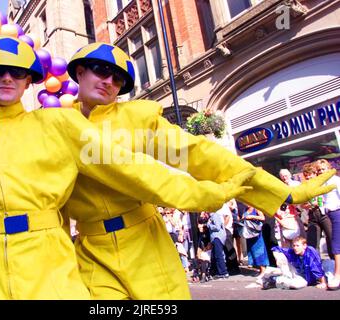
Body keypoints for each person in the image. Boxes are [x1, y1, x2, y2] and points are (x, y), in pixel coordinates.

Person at [0, 36, 258, 300]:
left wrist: (209, 193)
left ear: (29, 81)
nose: (7, 77)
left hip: (49, 262)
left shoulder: (56, 123)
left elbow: (131, 168)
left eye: (17, 72)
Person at [61, 41, 336, 299]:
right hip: (91, 252)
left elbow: (201, 155)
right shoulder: (57, 126)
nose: (109, 81)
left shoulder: (136, 120)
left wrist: (281, 193)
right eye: (102, 70)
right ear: (80, 71)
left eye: (118, 78)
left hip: (144, 243)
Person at [262, 236, 327, 290]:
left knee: (298, 285)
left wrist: (323, 282)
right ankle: (281, 278)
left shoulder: (310, 252)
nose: (295, 248)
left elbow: (316, 267)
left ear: (304, 246)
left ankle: (275, 280)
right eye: (294, 246)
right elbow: (276, 249)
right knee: (279, 254)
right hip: (296, 272)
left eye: (297, 246)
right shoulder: (293, 251)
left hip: (307, 277)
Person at [315, 159, 340, 290]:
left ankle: (337, 275)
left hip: (337, 212)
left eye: (323, 169)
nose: (321, 172)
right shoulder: (323, 184)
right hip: (329, 214)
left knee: (336, 246)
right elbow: (323, 201)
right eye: (319, 170)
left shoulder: (335, 180)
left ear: (329, 169)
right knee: (335, 244)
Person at [301, 162, 333, 259]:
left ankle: (334, 265)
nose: (308, 177)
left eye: (310, 175)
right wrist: (306, 205)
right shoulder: (305, 187)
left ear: (315, 174)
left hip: (324, 214)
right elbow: (302, 204)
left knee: (331, 239)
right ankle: (316, 266)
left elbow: (326, 199)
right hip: (312, 215)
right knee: (312, 243)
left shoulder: (323, 183)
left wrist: (317, 203)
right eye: (306, 176)